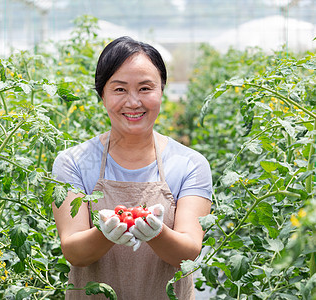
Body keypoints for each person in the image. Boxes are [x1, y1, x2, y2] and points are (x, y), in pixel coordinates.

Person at [52, 36, 212, 299]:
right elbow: (74, 252)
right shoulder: (73, 162)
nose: (133, 102)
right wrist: (107, 234)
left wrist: (156, 233)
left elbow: (189, 251)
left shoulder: (190, 164)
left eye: (146, 88)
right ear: (101, 94)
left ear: (162, 91)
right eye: (119, 89)